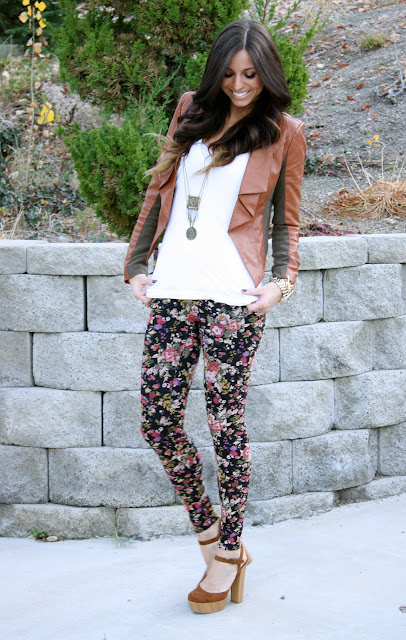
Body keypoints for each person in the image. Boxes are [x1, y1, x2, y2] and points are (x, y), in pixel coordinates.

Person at [124, 18, 306, 614]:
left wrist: (280, 284)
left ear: (267, 73)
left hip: (234, 299)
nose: (240, 85)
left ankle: (229, 552)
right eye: (229, 74)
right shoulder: (191, 110)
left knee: (225, 425)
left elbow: (287, 221)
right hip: (173, 292)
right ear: (216, 74)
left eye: (251, 74)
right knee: (158, 420)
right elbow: (159, 191)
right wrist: (136, 265)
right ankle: (210, 533)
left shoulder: (285, 132)